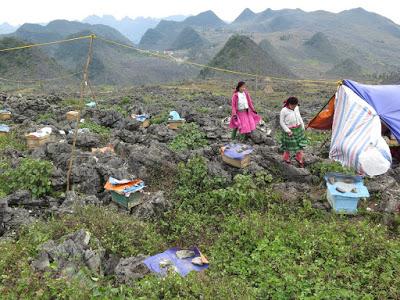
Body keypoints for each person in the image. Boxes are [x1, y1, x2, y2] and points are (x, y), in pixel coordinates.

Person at [279, 96, 308, 167]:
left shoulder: (296, 108)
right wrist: (288, 131)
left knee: (299, 145)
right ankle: (286, 158)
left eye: (295, 105)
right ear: (289, 104)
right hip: (289, 130)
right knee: (288, 146)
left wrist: (302, 126)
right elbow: (281, 122)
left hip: (298, 129)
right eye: (293, 106)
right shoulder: (284, 111)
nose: (294, 107)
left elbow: (299, 116)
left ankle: (299, 158)